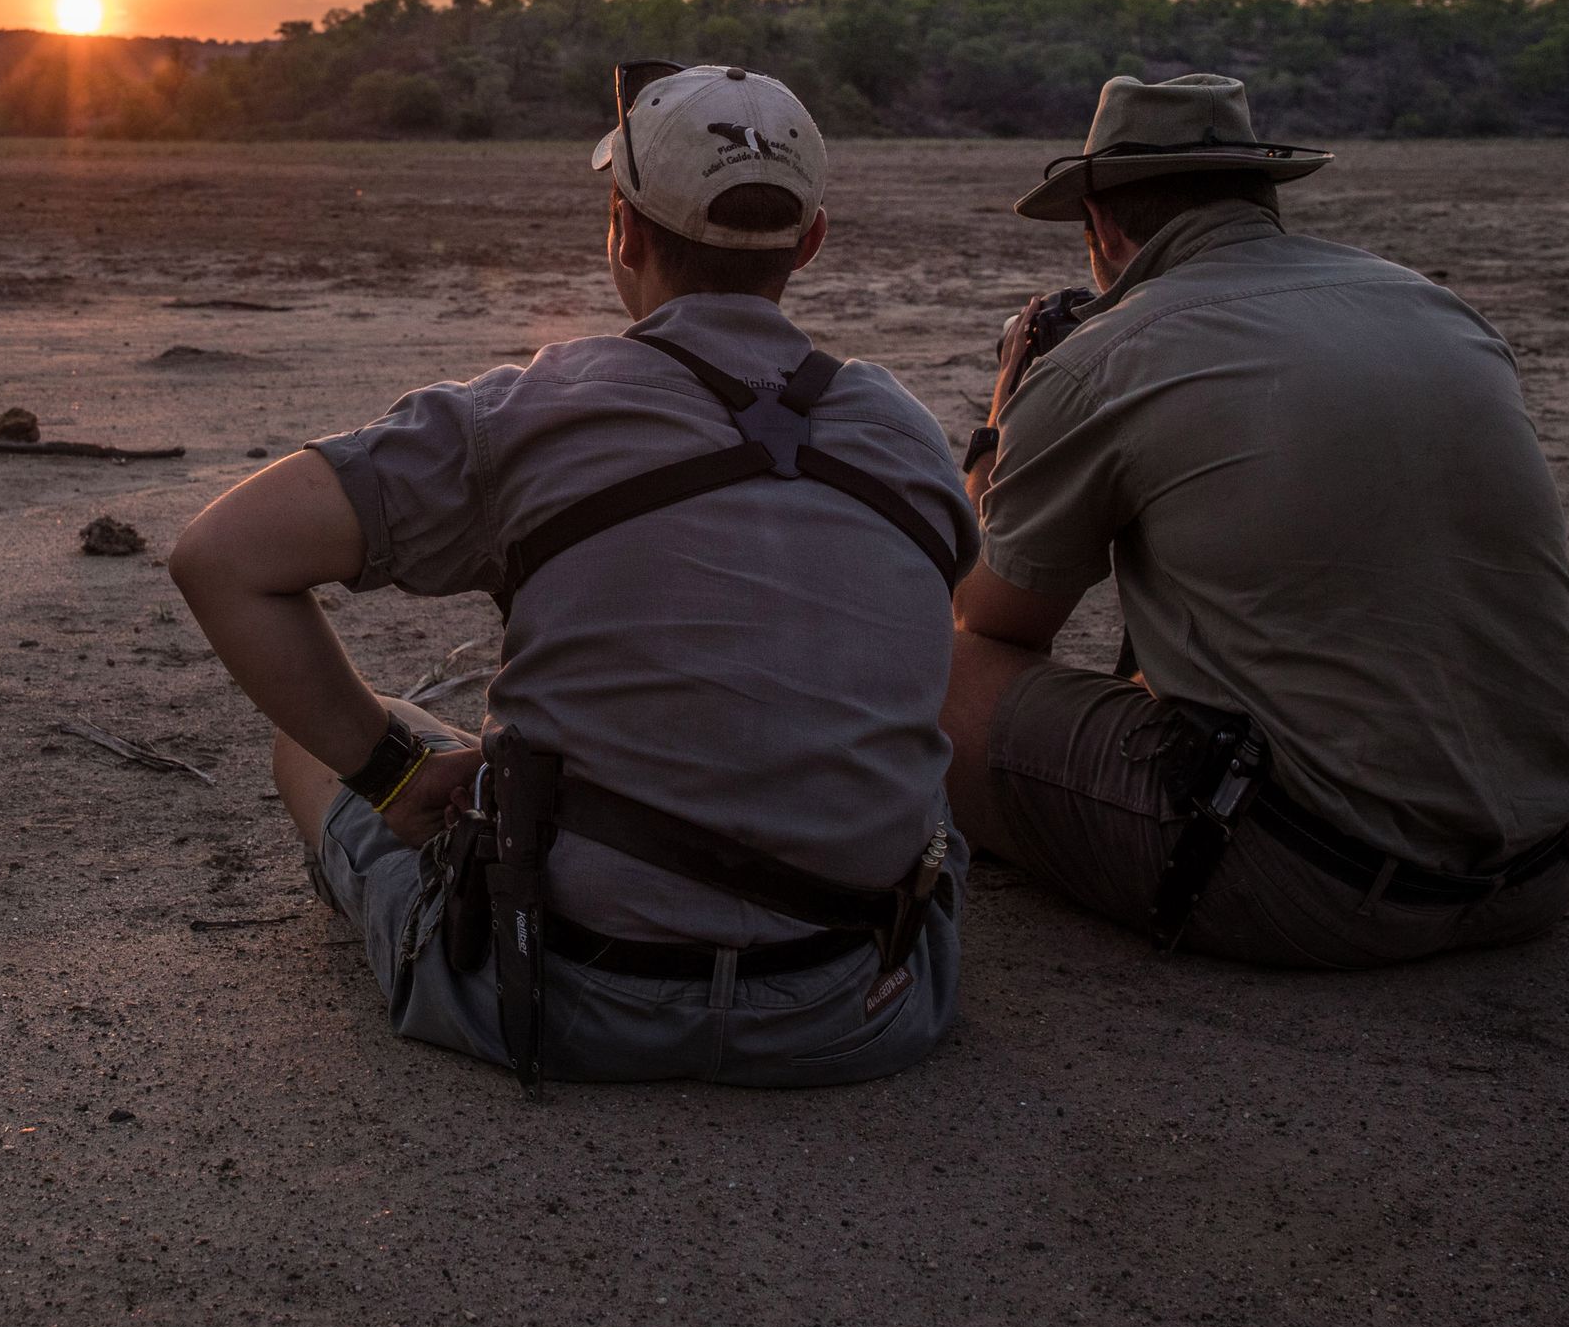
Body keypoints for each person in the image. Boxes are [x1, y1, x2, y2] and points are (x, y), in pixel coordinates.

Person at [166, 63, 976, 1086]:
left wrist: (395, 776)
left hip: (560, 995)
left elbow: (220, 557)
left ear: (622, 228)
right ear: (810, 241)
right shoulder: (903, 428)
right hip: (857, 1008)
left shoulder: (535, 411)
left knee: (314, 744)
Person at [943, 73, 1569, 967]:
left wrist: (1001, 425)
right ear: (1262, 193)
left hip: (1310, 886)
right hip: (1543, 866)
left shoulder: (1108, 356)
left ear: (1100, 224)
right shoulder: (1435, 309)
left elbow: (994, 622)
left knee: (930, 668)